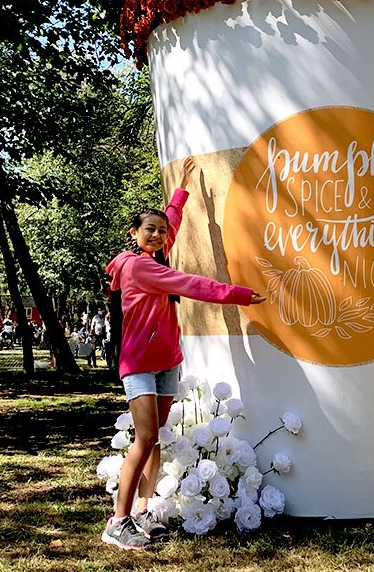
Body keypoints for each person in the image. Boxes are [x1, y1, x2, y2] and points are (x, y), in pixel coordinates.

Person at [101, 157, 265, 550]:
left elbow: (171, 222)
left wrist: (183, 190)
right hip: (139, 365)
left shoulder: (156, 254)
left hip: (167, 362)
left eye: (160, 231)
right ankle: (117, 522)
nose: (158, 235)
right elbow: (190, 284)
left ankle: (142, 510)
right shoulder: (139, 269)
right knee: (142, 439)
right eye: (149, 230)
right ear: (134, 234)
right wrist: (239, 294)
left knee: (155, 438)